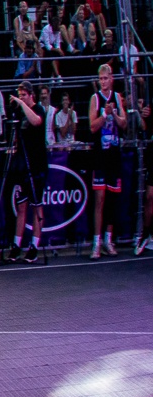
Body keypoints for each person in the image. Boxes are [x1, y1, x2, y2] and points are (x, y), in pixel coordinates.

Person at [5, 81, 50, 261]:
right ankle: (17, 245)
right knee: (21, 205)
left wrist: (22, 104)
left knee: (36, 206)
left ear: (31, 95)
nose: (21, 98)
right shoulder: (19, 113)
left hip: (37, 165)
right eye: (20, 95)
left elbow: (36, 121)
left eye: (24, 95)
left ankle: (34, 246)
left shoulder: (39, 109)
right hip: (23, 164)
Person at [86, 64, 126, 257]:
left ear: (111, 78)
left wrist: (114, 113)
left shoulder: (117, 97)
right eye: (100, 79)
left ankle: (108, 241)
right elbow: (92, 127)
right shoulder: (95, 98)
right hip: (100, 156)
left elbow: (124, 123)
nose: (103, 82)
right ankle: (97, 242)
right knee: (99, 199)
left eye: (105, 78)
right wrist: (104, 114)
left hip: (114, 154)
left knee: (112, 199)